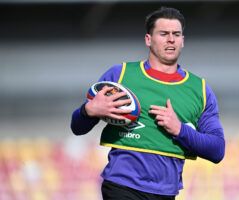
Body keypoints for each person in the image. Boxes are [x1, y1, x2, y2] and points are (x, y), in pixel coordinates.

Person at [71, 7, 225, 200]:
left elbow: (217, 150)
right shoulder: (120, 75)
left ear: (182, 41)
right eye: (163, 34)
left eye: (176, 34)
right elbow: (77, 127)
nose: (171, 39)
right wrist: (88, 111)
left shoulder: (201, 90)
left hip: (167, 193)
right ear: (148, 39)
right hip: (121, 186)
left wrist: (179, 129)